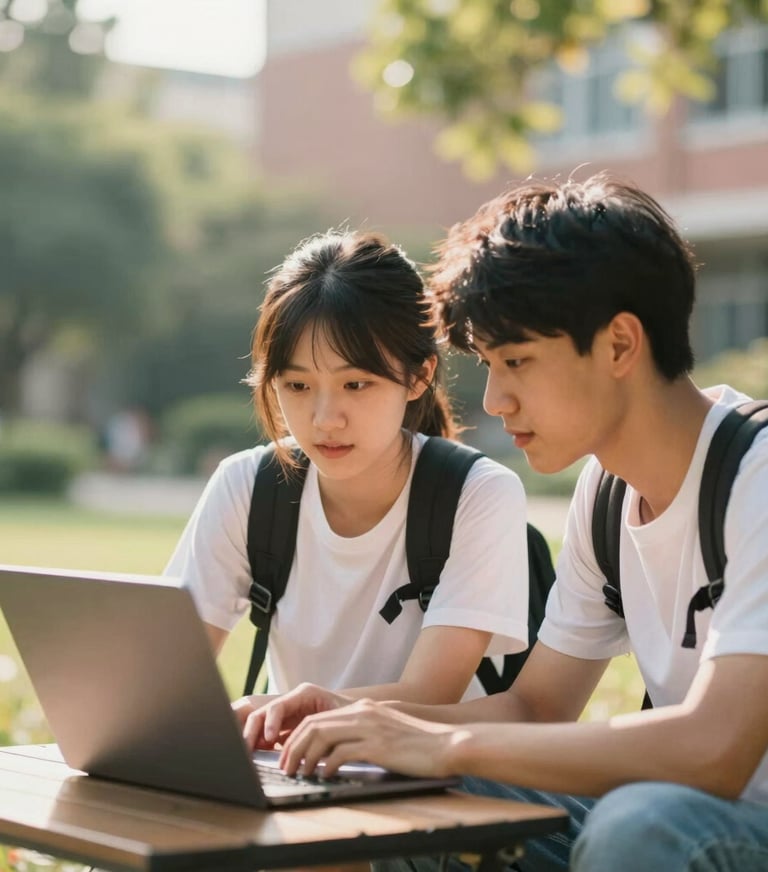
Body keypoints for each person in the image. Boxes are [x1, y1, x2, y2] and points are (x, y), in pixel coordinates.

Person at [250, 175, 768, 872]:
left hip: (713, 822)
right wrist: (358, 720)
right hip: (690, 815)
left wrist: (447, 745)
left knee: (643, 824)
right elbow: (535, 708)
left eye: (517, 361)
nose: (494, 400)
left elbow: (715, 751)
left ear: (619, 345)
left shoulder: (756, 475)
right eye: (489, 366)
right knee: (394, 782)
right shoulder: (608, 496)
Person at [164, 229, 529, 728]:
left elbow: (433, 695)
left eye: (356, 384)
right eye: (297, 385)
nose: (324, 419)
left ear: (418, 376)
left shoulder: (479, 493)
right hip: (298, 771)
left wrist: (290, 709)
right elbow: (166, 674)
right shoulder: (246, 485)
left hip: (438, 782)